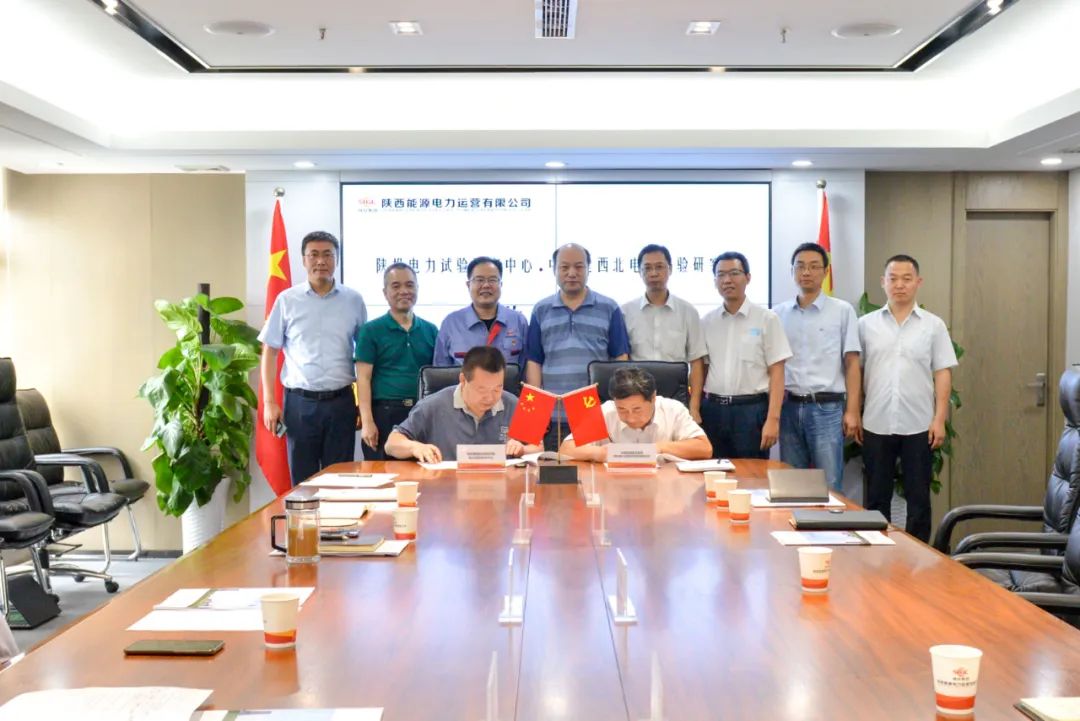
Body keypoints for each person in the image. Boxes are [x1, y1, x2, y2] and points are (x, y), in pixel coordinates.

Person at [859, 254, 957, 543]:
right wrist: (854, 411)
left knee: (918, 499)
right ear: (883, 282)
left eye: (906, 279)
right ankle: (876, 555)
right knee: (876, 498)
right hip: (876, 422)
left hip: (919, 425)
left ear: (918, 282)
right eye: (893, 279)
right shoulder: (865, 325)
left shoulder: (933, 325)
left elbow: (943, 372)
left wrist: (939, 419)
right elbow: (856, 371)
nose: (899, 285)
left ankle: (918, 559)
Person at [259, 230, 367, 485]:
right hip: (300, 404)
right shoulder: (287, 300)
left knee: (340, 479)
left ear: (336, 259)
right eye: (314, 255)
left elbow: (363, 355)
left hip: (341, 402)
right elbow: (270, 351)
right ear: (304, 260)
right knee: (302, 481)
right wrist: (269, 402)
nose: (321, 261)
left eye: (328, 255)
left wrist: (364, 405)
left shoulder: (353, 300)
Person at [525, 243, 630, 450]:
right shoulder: (541, 309)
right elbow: (534, 362)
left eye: (579, 267)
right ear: (554, 270)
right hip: (552, 414)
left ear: (589, 269)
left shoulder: (609, 307)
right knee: (550, 468)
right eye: (564, 267)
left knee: (591, 468)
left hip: (593, 412)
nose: (572, 273)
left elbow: (620, 359)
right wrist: (535, 418)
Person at [774, 242, 862, 492]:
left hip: (827, 409)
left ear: (825, 272)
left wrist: (852, 411)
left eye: (814, 266)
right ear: (792, 271)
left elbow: (852, 364)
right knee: (792, 486)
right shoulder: (778, 314)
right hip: (789, 408)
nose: (806, 272)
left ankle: (831, 521)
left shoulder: (842, 311)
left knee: (829, 484)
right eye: (800, 266)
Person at [697, 251, 792, 460]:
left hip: (751, 411)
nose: (727, 280)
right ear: (715, 281)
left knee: (752, 474)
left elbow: (777, 372)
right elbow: (701, 369)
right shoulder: (707, 322)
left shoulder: (767, 319)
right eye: (721, 275)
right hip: (713, 411)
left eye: (734, 273)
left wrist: (773, 419)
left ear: (748, 278)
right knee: (713, 472)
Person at [385, 346, 542, 462]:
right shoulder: (432, 406)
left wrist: (523, 450)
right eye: (481, 389)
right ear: (463, 380)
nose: (490, 398)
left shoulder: (515, 404)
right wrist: (415, 447)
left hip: (500, 489)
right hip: (446, 489)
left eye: (497, 388)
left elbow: (540, 447)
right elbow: (391, 444)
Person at [354, 263, 438, 460]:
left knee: (422, 472)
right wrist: (367, 422)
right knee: (382, 474)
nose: (404, 291)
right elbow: (363, 379)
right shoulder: (370, 330)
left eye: (409, 285)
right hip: (383, 414)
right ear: (385, 292)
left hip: (420, 413)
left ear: (417, 289)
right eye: (396, 286)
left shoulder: (431, 330)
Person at [621, 244, 708, 422]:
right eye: (647, 268)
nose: (654, 273)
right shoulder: (625, 312)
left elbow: (697, 362)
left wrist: (694, 407)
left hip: (676, 397)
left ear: (670, 269)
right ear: (639, 272)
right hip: (637, 397)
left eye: (659, 267)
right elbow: (621, 361)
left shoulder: (688, 312)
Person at [558, 366, 712, 462]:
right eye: (622, 409)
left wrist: (659, 448)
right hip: (614, 488)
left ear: (653, 398)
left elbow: (704, 448)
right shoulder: (605, 411)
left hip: (664, 486)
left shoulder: (673, 409)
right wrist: (599, 453)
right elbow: (566, 449)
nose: (630, 418)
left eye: (637, 409)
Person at [433, 256, 529, 367]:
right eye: (479, 280)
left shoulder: (518, 321)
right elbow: (440, 370)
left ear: (501, 284)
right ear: (468, 285)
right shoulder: (451, 323)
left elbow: (527, 366)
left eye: (492, 280)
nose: (486, 285)